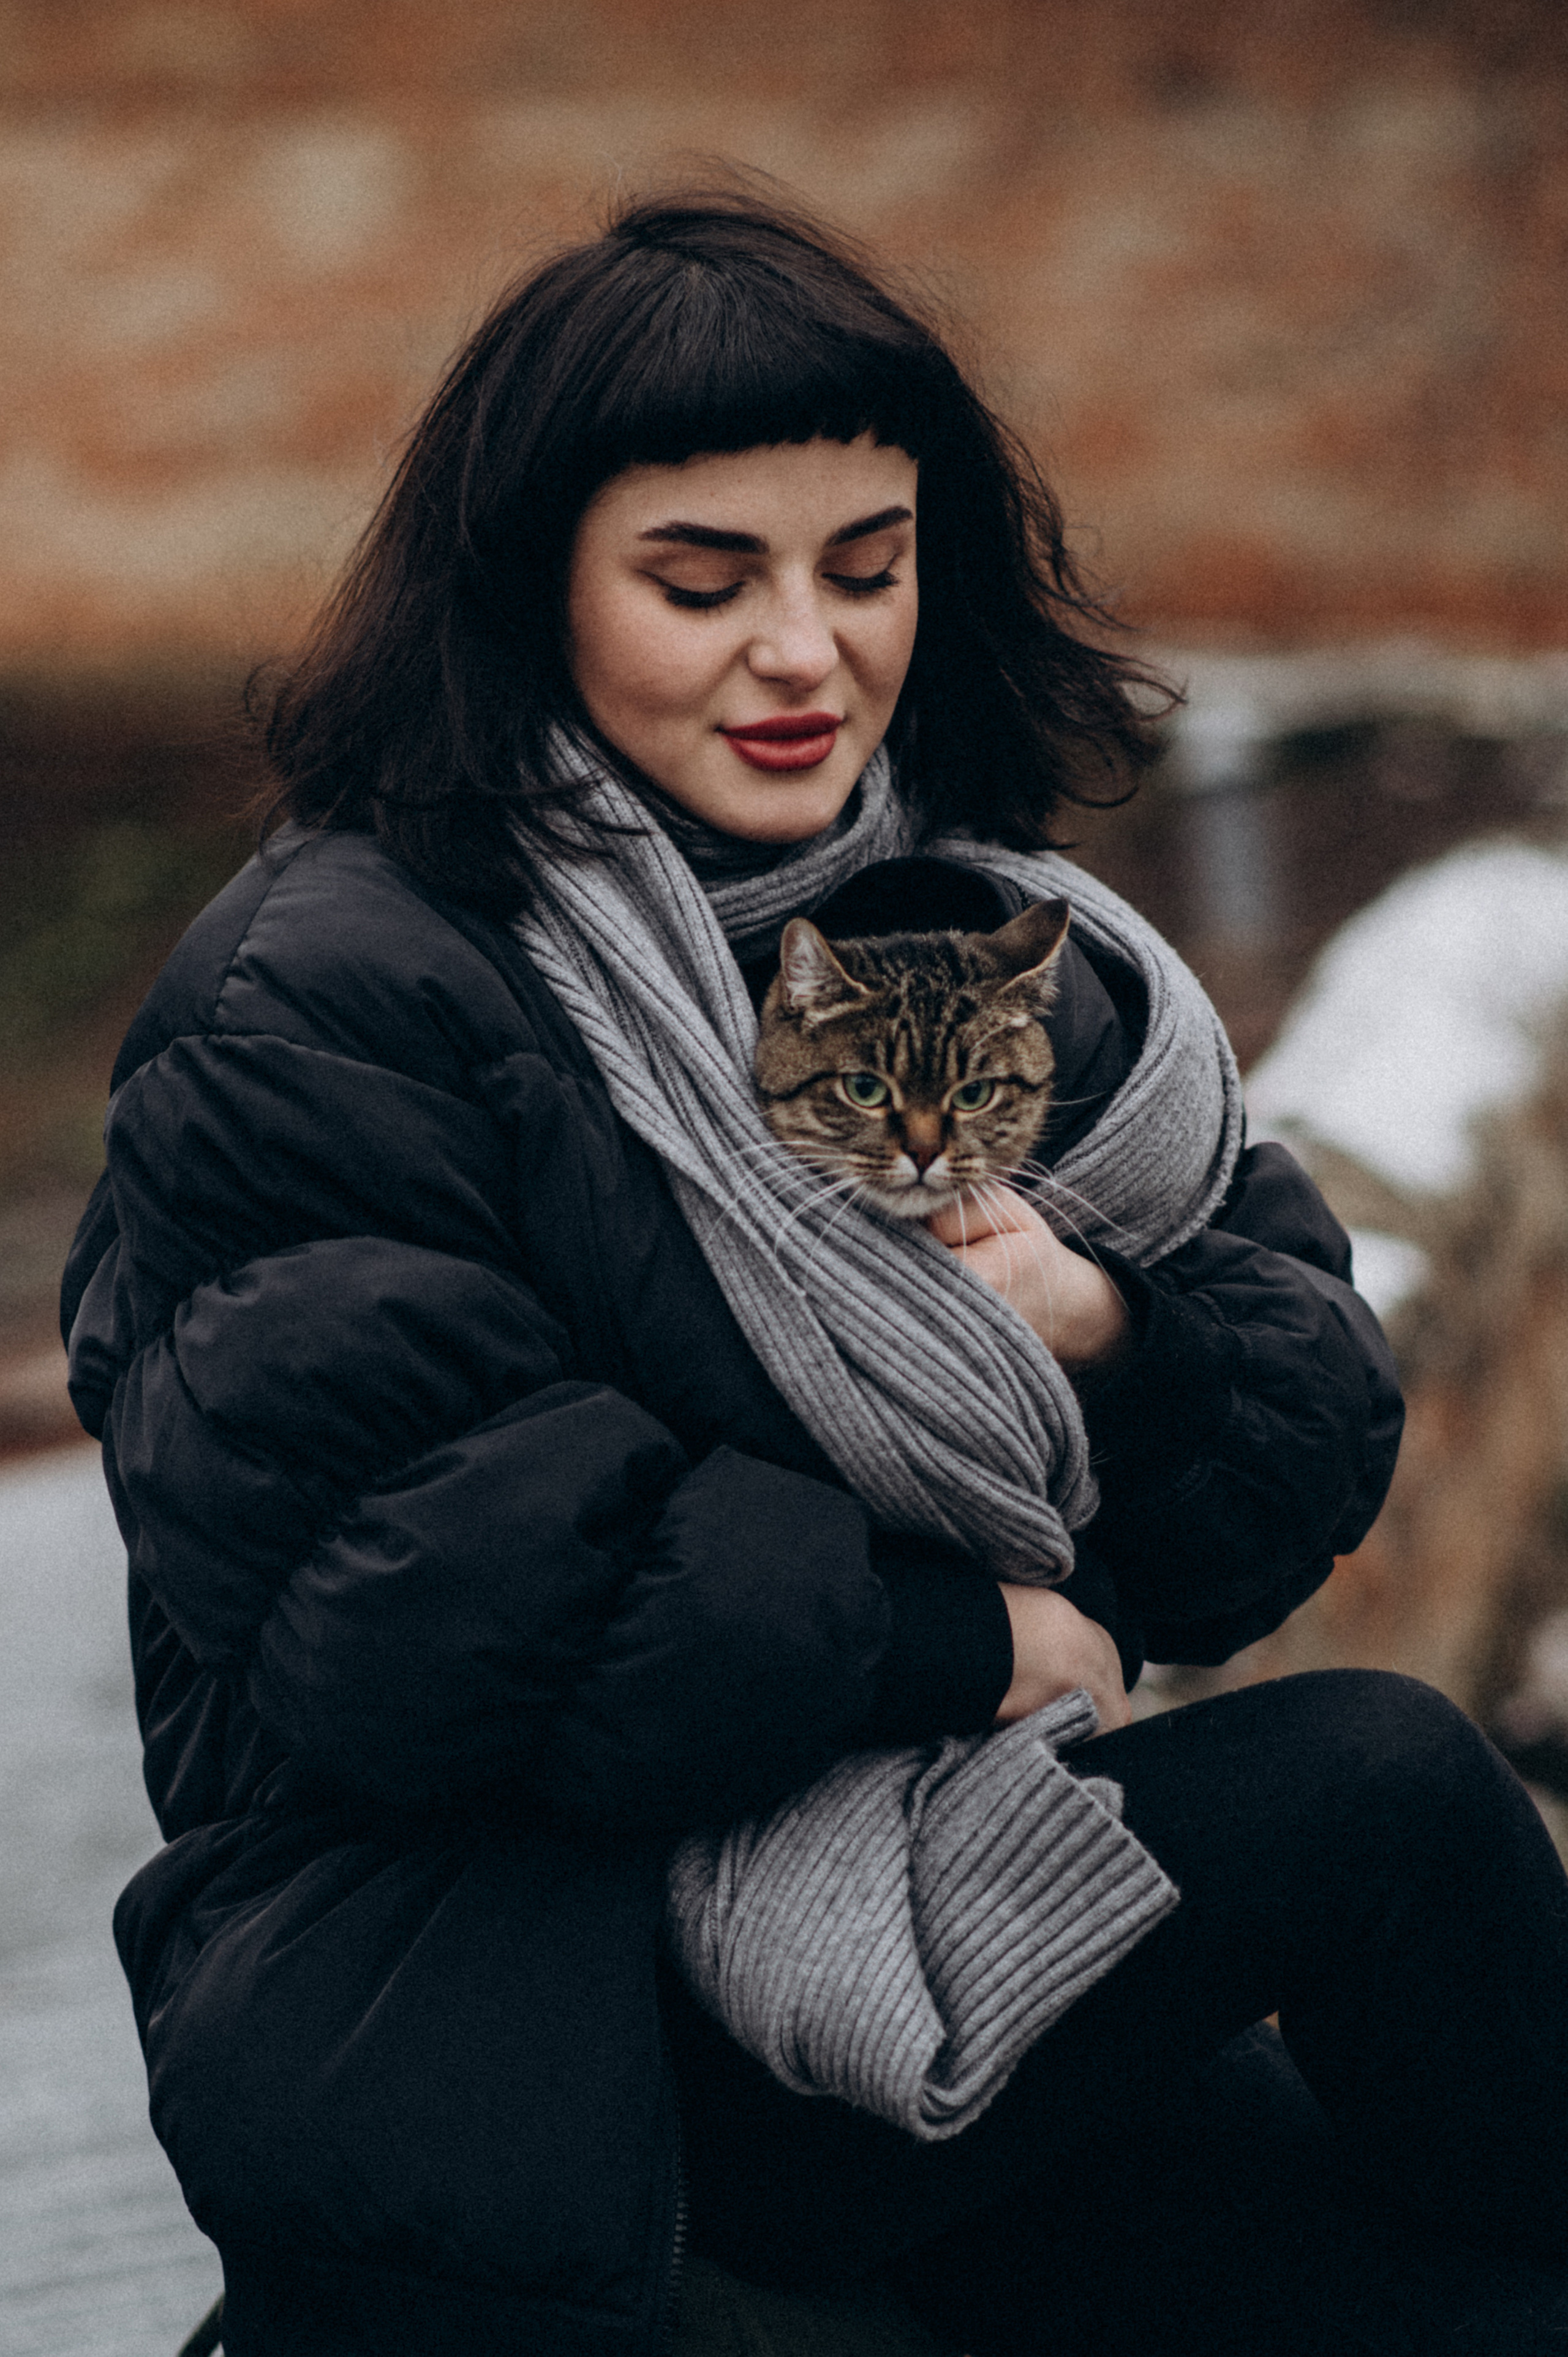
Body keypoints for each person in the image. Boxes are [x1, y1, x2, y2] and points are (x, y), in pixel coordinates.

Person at [61, 188, 1568, 2357]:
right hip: (517, 2015)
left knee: (1467, 2200)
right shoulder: (326, 1000)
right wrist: (963, 1639)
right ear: (532, 593)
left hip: (938, 1911)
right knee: (1385, 1833)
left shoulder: (959, 928)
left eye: (867, 569)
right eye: (704, 581)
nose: (808, 653)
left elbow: (1295, 1418)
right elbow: (453, 1601)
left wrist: (1114, 1342)